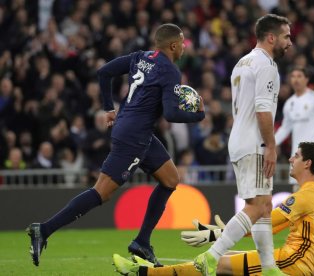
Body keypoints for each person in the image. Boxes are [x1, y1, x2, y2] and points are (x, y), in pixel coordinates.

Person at [26, 23, 205, 267]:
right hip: (134, 136)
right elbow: (172, 114)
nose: (184, 46)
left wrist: (108, 107)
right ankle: (44, 229)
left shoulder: (139, 57)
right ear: (173, 45)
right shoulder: (170, 70)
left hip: (132, 128)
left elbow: (104, 72)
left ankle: (142, 241)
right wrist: (198, 114)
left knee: (171, 179)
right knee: (102, 192)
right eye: (183, 42)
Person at [112, 142, 314, 276]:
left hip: (292, 264)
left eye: (296, 156)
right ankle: (151, 270)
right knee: (222, 259)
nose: (290, 159)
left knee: (217, 263)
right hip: (296, 263)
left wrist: (213, 234)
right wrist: (223, 233)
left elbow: (261, 225)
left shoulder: (306, 196)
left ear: (307, 163)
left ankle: (144, 272)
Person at [194, 14, 292, 276]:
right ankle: (210, 257)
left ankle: (269, 267)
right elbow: (262, 109)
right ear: (271, 37)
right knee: (256, 207)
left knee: (264, 206)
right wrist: (271, 146)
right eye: (286, 36)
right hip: (255, 141)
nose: (289, 42)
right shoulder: (266, 65)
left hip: (239, 139)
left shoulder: (242, 62)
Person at [275, 66, 314, 190]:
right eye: (293, 77)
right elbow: (285, 128)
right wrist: (272, 144)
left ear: (306, 79)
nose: (296, 80)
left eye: (299, 76)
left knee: (311, 188)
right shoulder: (289, 104)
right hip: (297, 155)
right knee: (296, 190)